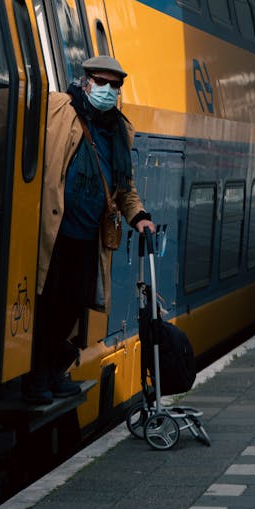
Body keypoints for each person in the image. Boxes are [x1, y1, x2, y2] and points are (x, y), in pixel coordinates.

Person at [22, 55, 156, 404]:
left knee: (73, 305)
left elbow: (124, 186)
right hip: (56, 231)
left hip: (88, 236)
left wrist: (138, 215)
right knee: (48, 302)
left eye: (116, 85)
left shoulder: (118, 131)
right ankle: (37, 377)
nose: (108, 91)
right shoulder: (60, 110)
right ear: (86, 82)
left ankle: (53, 370)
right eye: (102, 82)